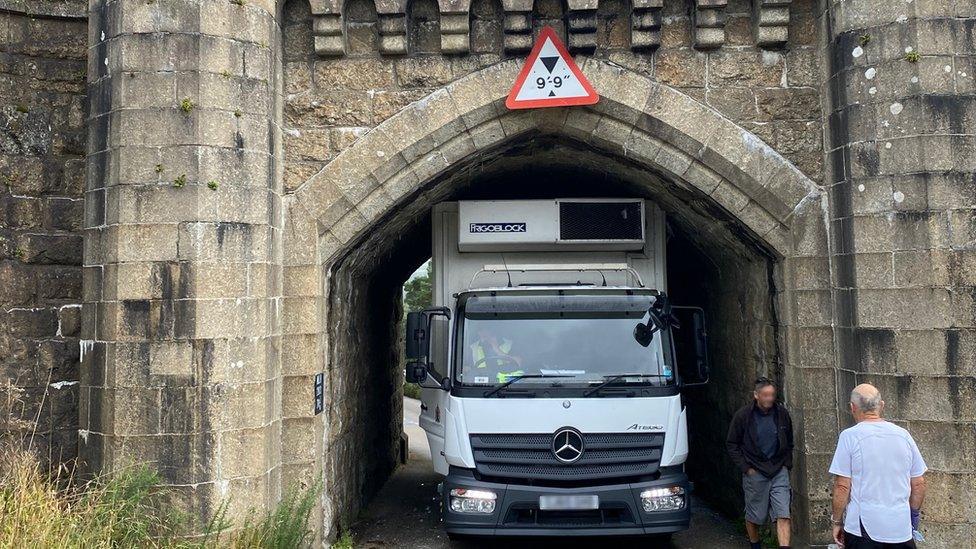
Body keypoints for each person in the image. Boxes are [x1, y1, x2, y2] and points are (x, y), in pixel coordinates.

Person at [828, 384, 927, 549]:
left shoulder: (849, 437)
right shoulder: (904, 435)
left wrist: (837, 521)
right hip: (900, 528)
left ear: (852, 408)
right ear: (881, 405)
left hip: (864, 527)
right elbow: (918, 483)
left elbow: (842, 486)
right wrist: (913, 515)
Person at [726, 377, 795, 549]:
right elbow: (732, 444)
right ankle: (755, 544)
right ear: (756, 395)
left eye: (772, 395)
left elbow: (789, 440)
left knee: (783, 513)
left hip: (778, 469)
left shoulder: (782, 414)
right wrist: (746, 468)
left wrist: (787, 463)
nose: (769, 399)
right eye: (765, 395)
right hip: (755, 470)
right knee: (755, 516)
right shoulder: (743, 416)